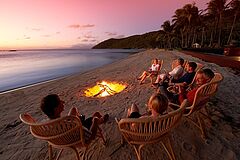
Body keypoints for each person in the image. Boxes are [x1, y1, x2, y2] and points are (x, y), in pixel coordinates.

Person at [40, 94, 109, 143]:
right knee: (95, 117)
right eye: (60, 101)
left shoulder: (44, 125)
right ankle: (101, 120)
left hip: (65, 136)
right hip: (77, 136)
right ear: (56, 109)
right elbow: (91, 137)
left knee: (73, 109)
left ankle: (86, 118)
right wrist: (95, 121)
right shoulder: (70, 125)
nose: (63, 102)